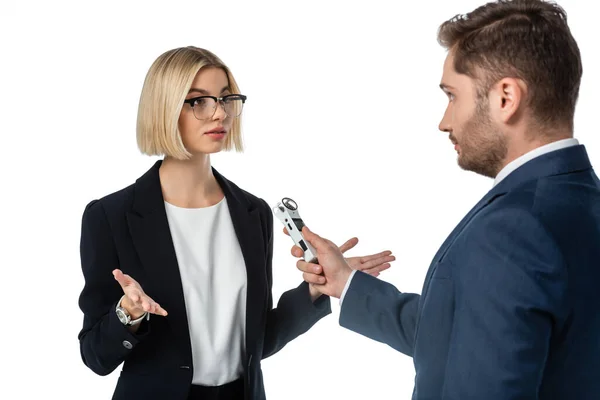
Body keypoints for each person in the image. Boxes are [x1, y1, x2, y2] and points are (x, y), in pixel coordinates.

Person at [293, 0, 600, 398]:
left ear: (505, 97)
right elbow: (474, 337)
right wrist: (347, 284)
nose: (444, 121)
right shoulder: (581, 203)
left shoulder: (514, 229)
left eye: (452, 95)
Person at [77, 46, 395, 400]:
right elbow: (95, 356)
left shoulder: (252, 213)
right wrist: (128, 314)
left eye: (227, 99)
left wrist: (316, 290)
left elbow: (258, 343)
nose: (220, 114)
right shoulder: (109, 217)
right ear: (164, 108)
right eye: (199, 101)